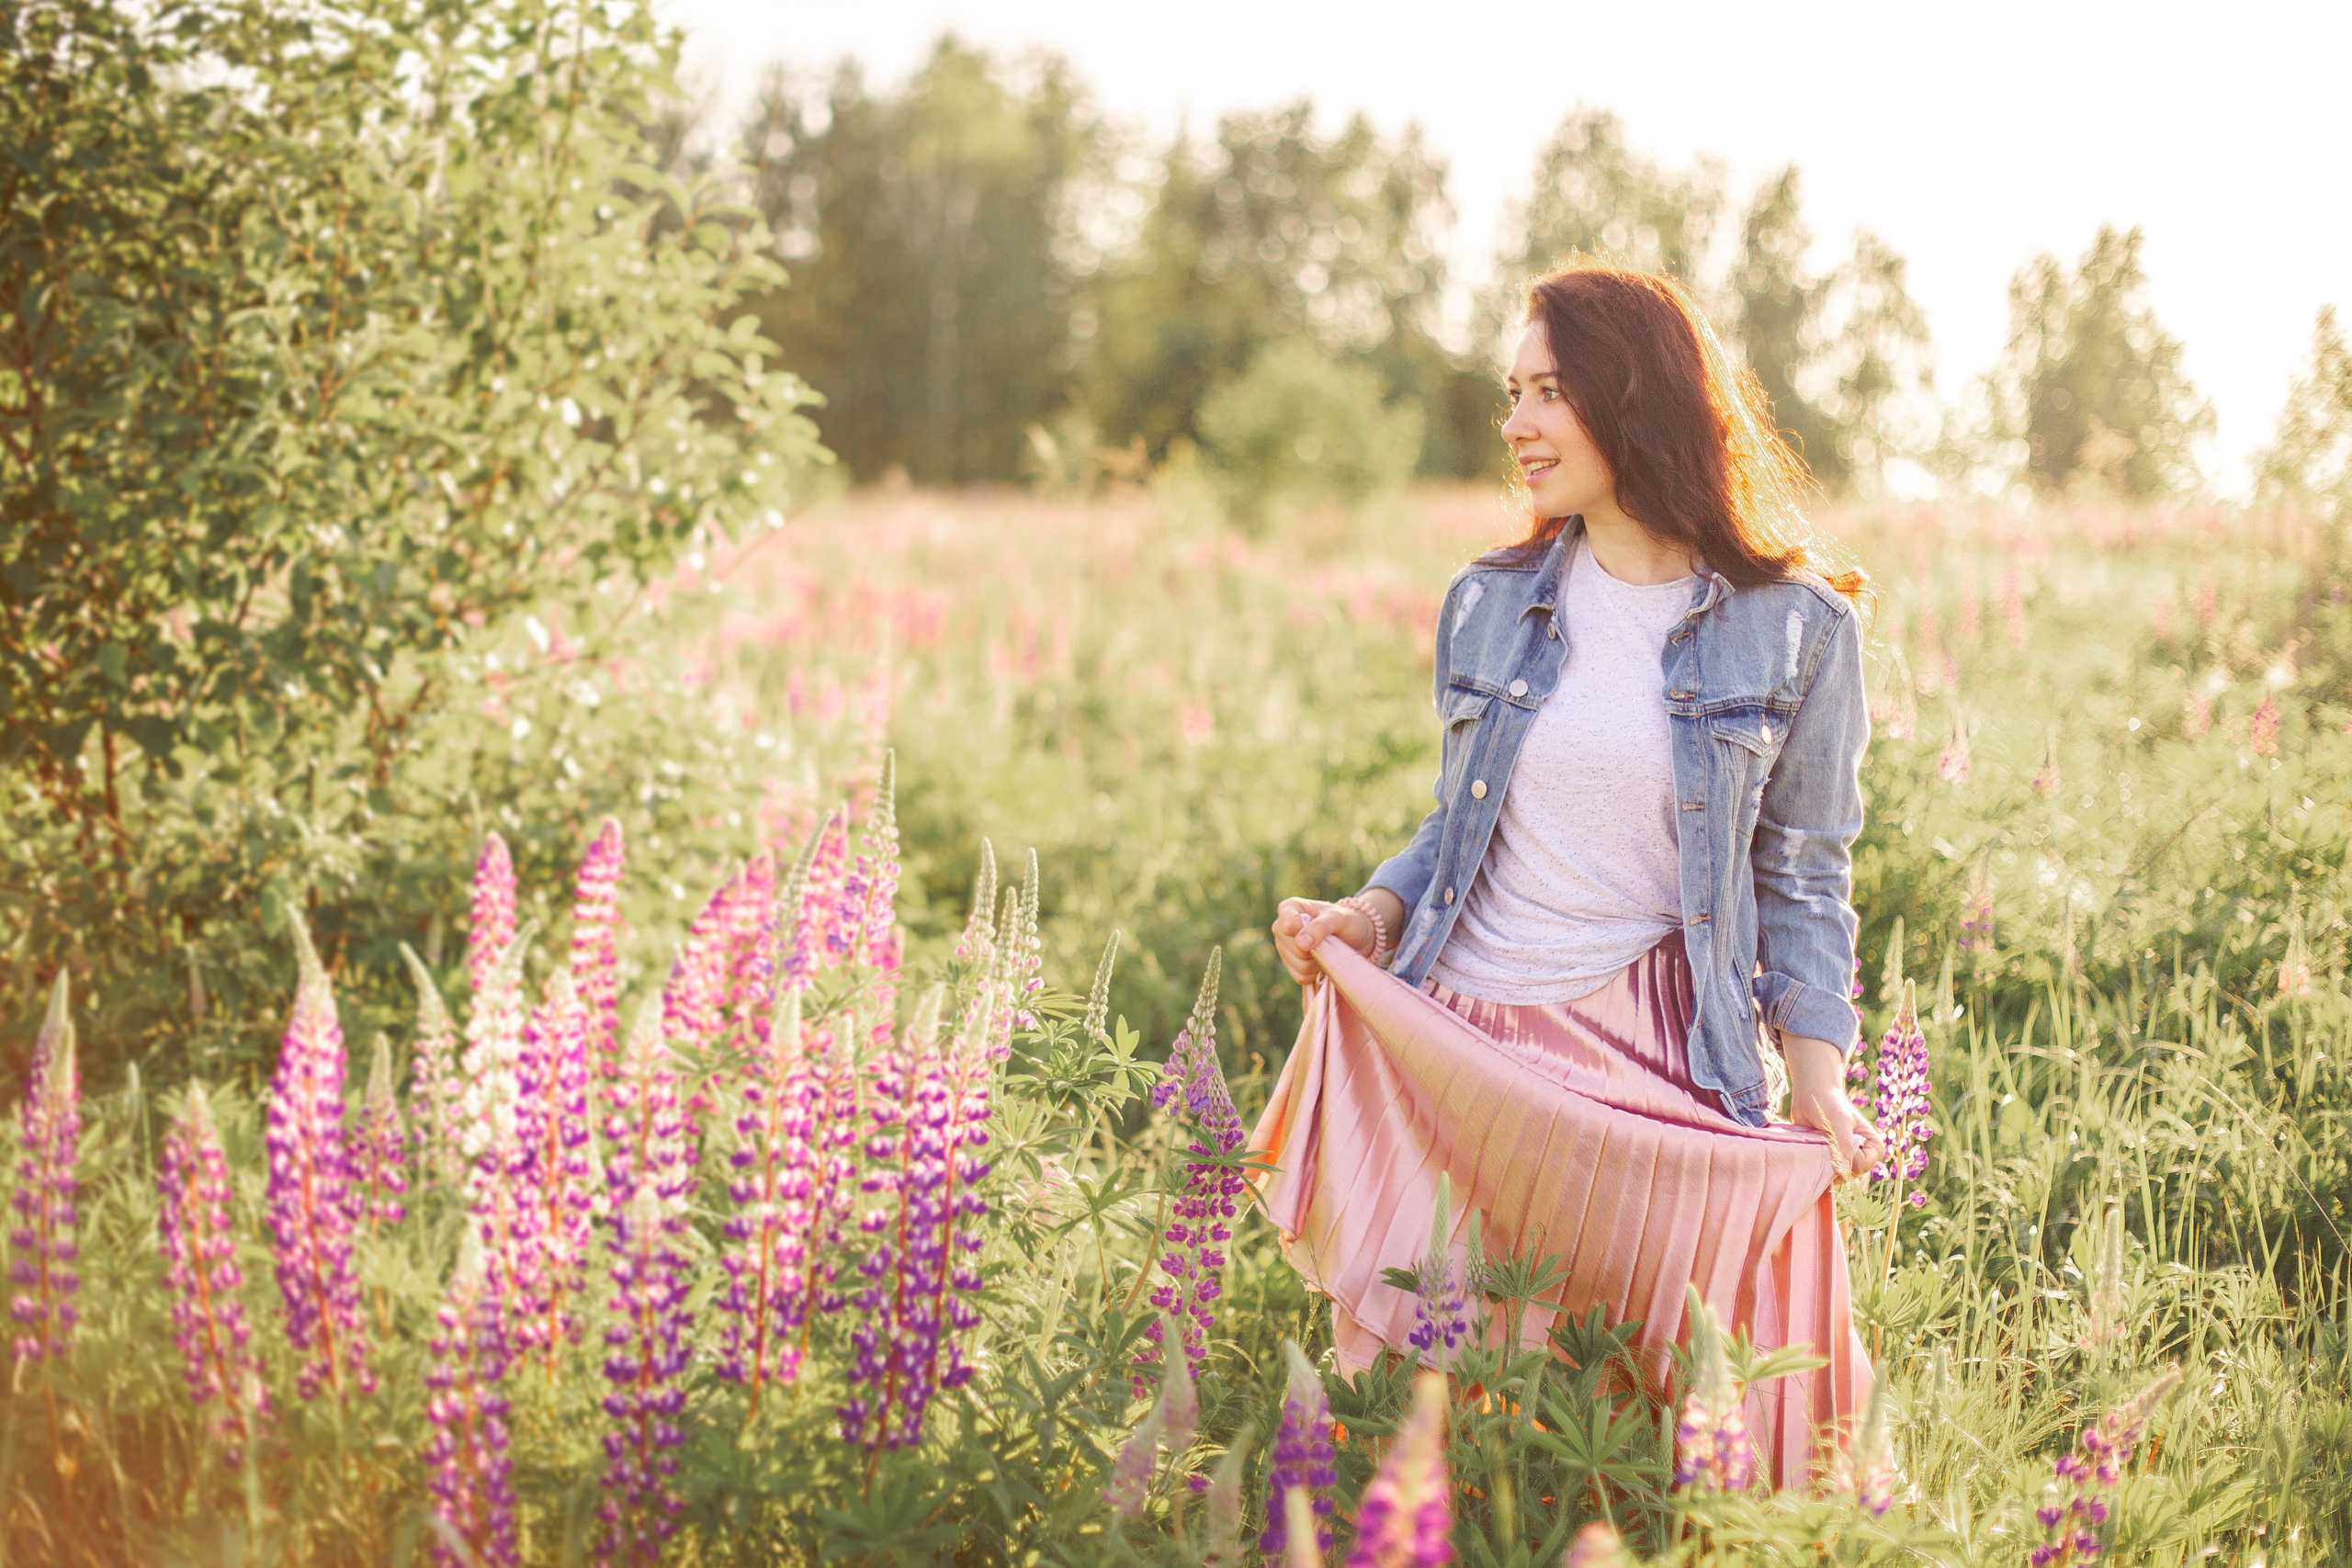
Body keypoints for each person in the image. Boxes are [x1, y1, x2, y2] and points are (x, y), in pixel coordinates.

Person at [1250, 259, 1883, 1488]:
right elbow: (1458, 823)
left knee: (1662, 1407)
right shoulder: (1491, 600)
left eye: (1549, 391)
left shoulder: (1799, 626)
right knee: (1426, 1418)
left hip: (1654, 1047)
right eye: (1512, 391)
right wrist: (1371, 913)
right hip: (1460, 1037)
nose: (1516, 425)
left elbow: (1806, 875)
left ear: (1630, 398)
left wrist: (1819, 1077)